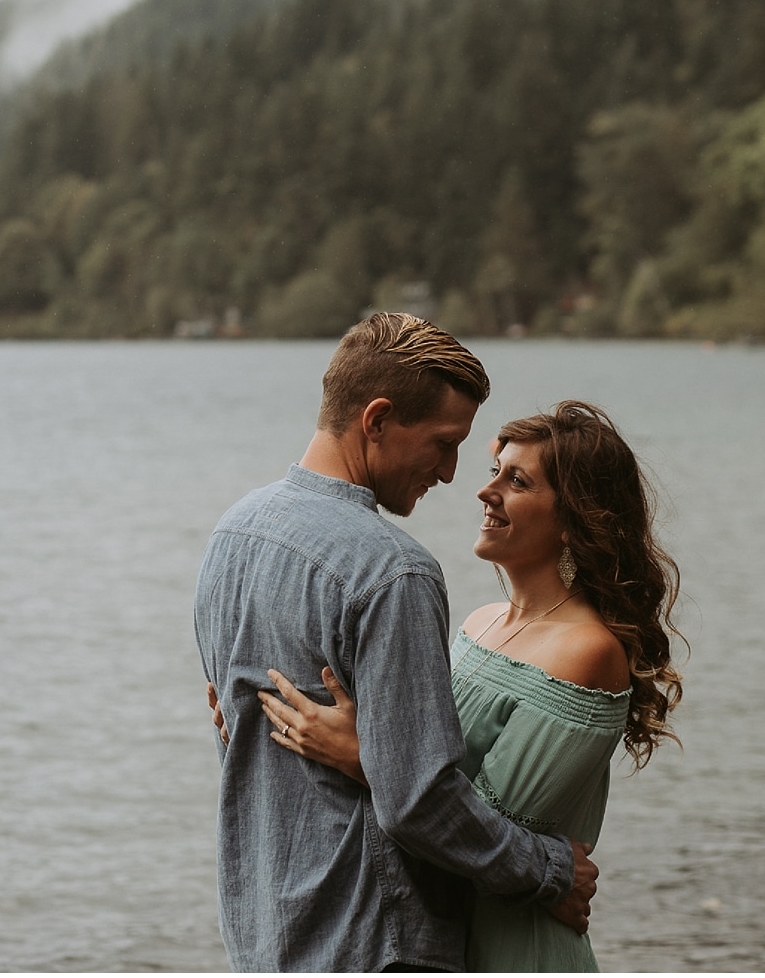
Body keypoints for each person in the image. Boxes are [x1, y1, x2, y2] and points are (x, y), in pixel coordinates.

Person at [194, 313, 597, 972]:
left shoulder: (230, 538)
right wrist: (548, 869)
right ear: (377, 419)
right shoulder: (394, 572)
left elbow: (235, 738)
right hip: (377, 944)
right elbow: (420, 800)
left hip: (264, 937)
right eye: (442, 443)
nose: (449, 471)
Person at [256, 400, 683, 973]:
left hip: (515, 945)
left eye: (518, 480)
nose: (487, 492)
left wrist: (359, 754)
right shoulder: (478, 623)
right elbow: (420, 761)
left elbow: (481, 830)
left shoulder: (586, 651)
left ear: (574, 517)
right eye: (495, 472)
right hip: (443, 933)